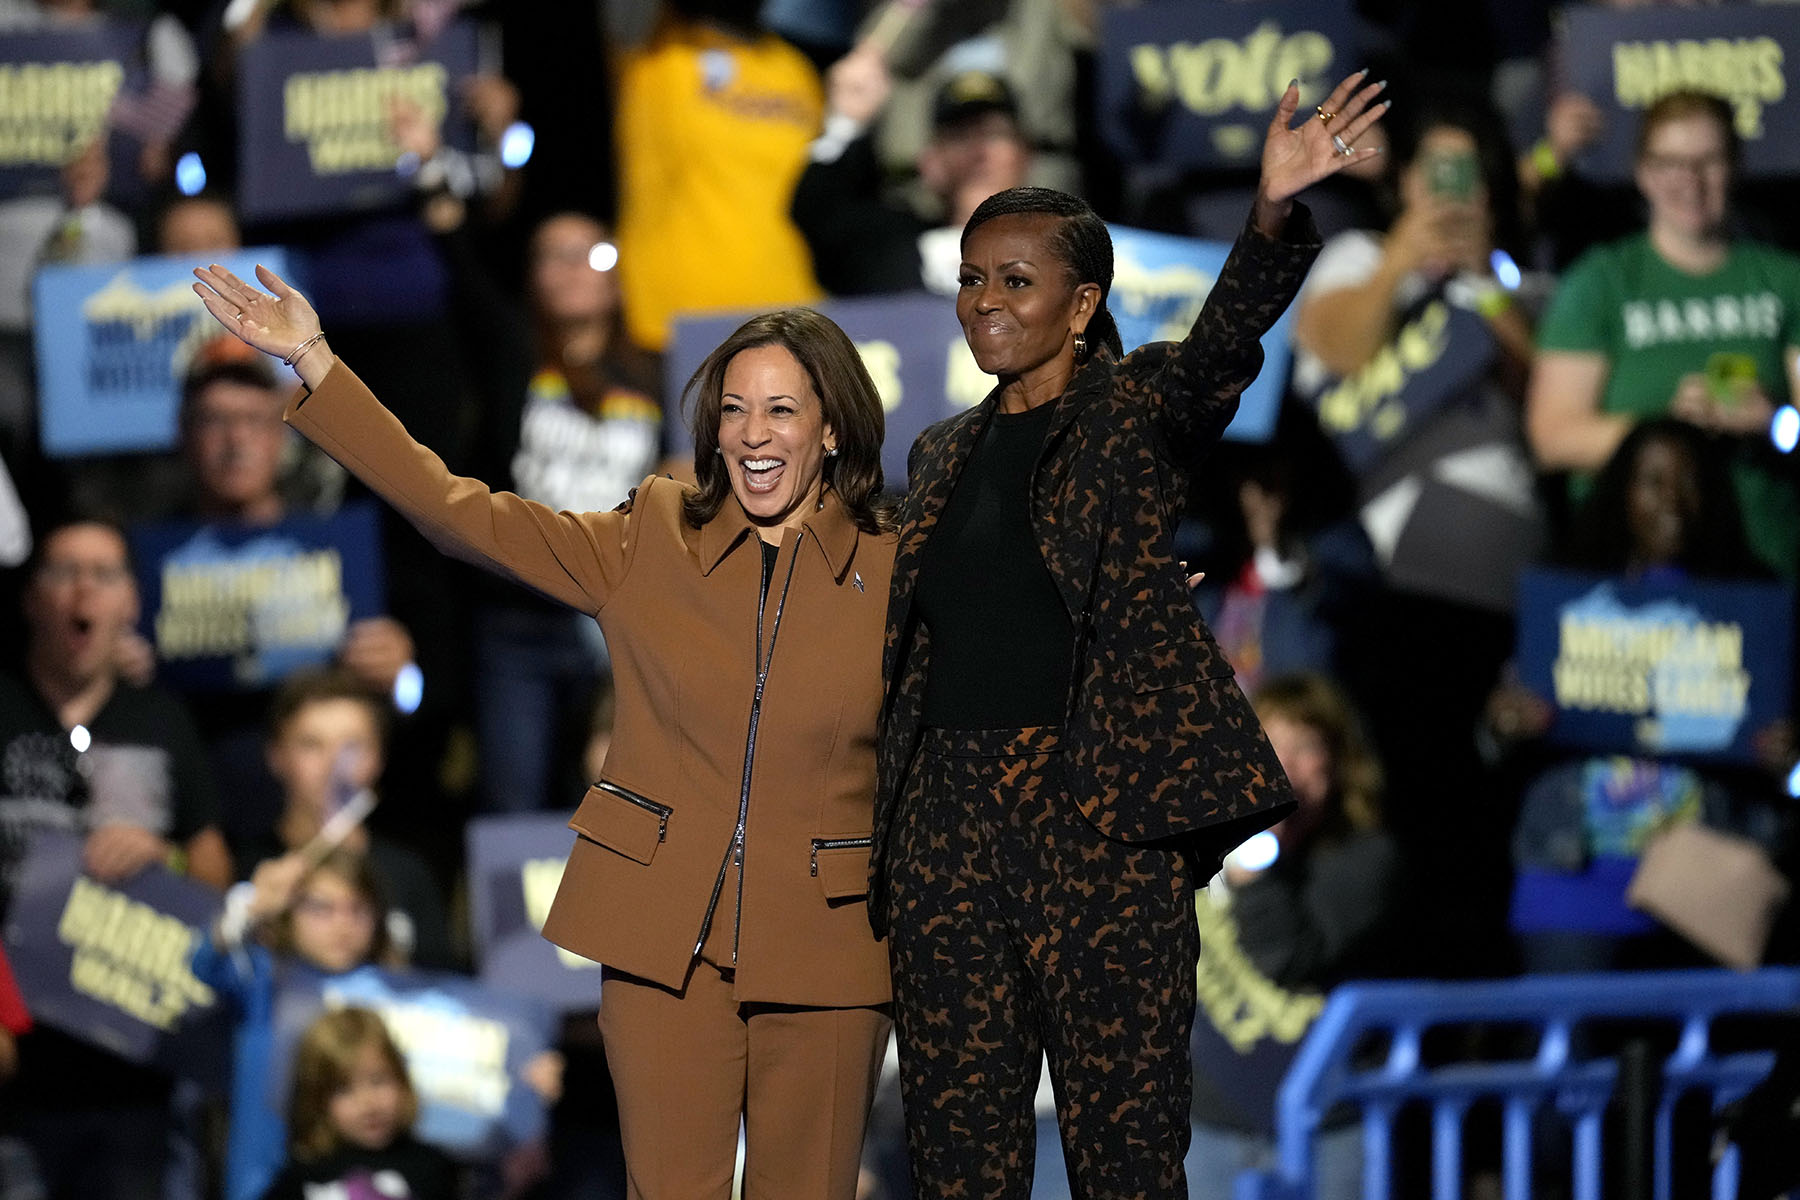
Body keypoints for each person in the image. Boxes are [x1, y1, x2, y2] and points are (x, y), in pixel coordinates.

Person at [189, 262, 898, 1200]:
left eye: (781, 411)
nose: (754, 436)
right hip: (663, 946)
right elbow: (455, 512)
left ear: (833, 425)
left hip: (829, 945)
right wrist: (317, 360)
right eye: (734, 411)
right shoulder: (652, 536)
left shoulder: (899, 569)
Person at [870, 71, 1387, 1196]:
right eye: (970, 280)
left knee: (1127, 1155)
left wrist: (1270, 216)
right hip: (947, 835)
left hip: (1099, 824)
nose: (983, 302)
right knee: (961, 1160)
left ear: (1085, 303)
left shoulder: (1133, 413)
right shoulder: (937, 456)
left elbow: (1219, 355)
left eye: (1016, 279)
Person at [0, 518, 230, 1200]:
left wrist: (164, 857)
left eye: (103, 575)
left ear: (130, 602)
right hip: (14, 1062)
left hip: (133, 1066)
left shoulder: (163, 719)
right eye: (63, 571)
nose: (83, 591)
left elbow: (216, 871)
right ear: (31, 598)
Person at [1528, 90, 1800, 579]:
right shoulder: (1601, 283)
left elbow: (1796, 424)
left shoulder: (1785, 281)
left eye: (1708, 161)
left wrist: (1774, 422)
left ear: (1735, 165)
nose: (1689, 181)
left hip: (1765, 568)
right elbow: (1553, 434)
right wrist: (1669, 435)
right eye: (1670, 162)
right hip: (1625, 583)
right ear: (1642, 171)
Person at [1186, 673, 1402, 1200]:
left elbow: (1284, 957)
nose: (1280, 763)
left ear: (1337, 763)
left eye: (1304, 748)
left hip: (1325, 1127)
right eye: (1267, 741)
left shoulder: (1364, 857)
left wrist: (1255, 859)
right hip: (1207, 1123)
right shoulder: (1193, 830)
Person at [793, 59, 1033, 296]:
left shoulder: (1063, 253)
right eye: (960, 137)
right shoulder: (887, 251)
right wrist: (845, 123)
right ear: (931, 163)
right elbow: (816, 213)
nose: (980, 152)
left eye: (995, 135)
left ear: (1025, 155)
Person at [261, 1006, 457, 1200]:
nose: (368, 1104)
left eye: (378, 1080)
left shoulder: (431, 1168)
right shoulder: (303, 1174)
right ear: (317, 1101)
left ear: (402, 1080)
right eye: (344, 1089)